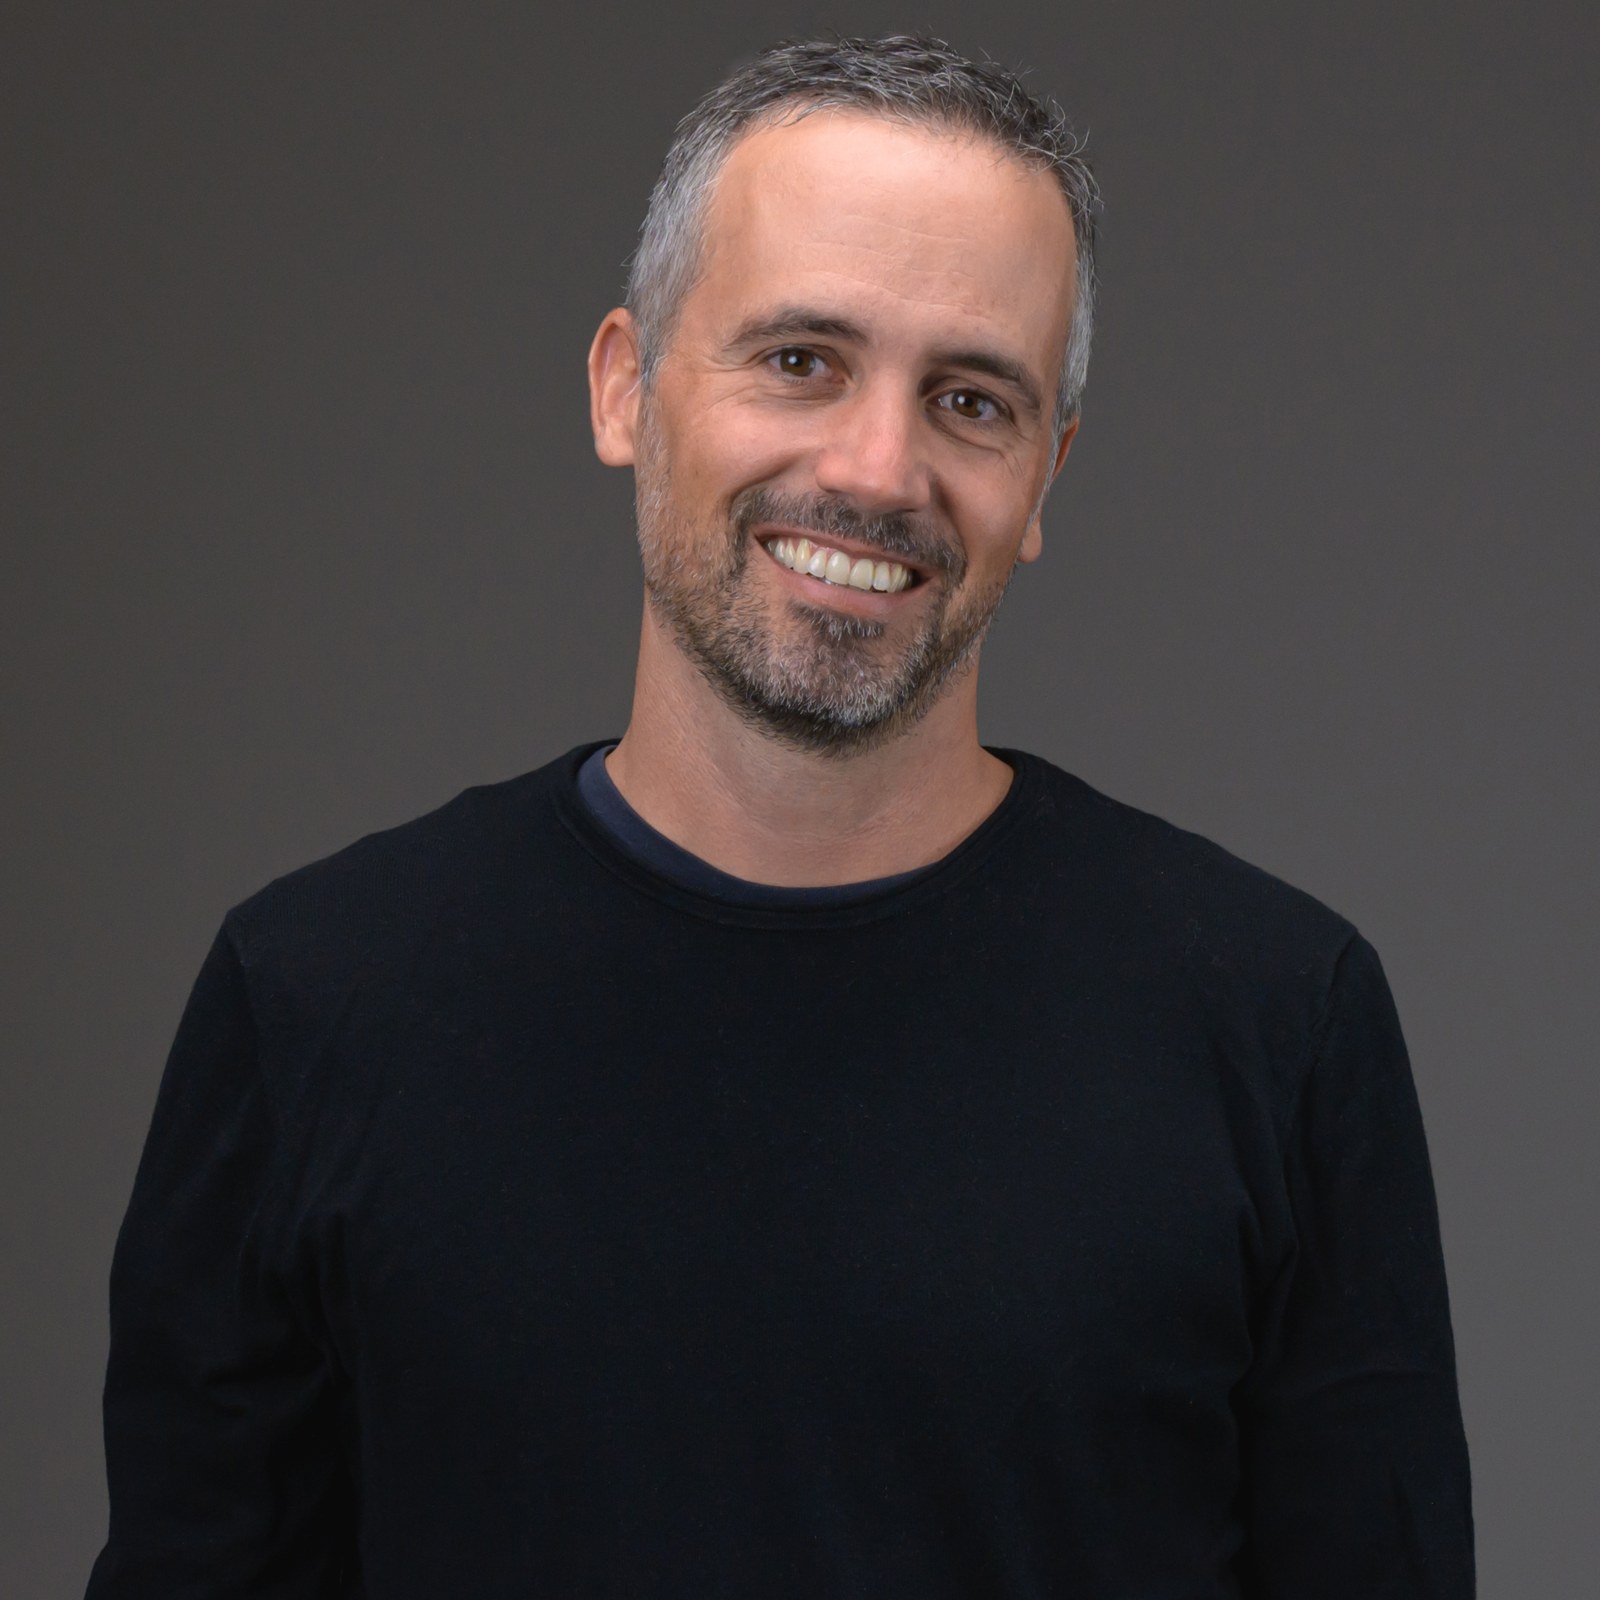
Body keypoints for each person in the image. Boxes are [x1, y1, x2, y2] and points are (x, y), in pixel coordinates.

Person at [85, 33, 1475, 1599]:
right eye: (802, 360)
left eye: (970, 399)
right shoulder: (314, 1004)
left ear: (1045, 477)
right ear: (625, 388)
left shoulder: (1279, 1027)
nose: (878, 470)